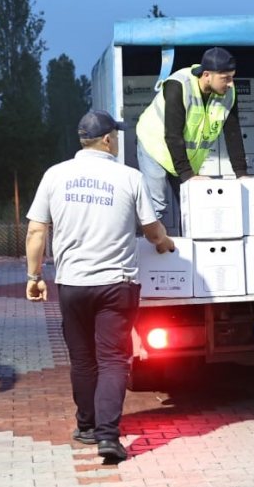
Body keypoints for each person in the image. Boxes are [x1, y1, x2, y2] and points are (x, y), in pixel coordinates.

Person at [26, 111, 176, 463]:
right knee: (113, 360)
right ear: (108, 139)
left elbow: (36, 231)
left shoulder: (55, 175)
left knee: (82, 360)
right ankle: (109, 438)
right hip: (116, 285)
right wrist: (164, 244)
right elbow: (151, 229)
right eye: (117, 136)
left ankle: (87, 427)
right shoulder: (129, 177)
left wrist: (34, 278)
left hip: (73, 284)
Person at [136, 46, 249, 221]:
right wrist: (188, 175)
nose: (230, 84)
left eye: (232, 78)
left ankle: (188, 248)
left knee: (191, 206)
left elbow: (233, 133)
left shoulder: (228, 94)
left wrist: (241, 174)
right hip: (155, 147)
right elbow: (173, 135)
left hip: (185, 154)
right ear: (206, 75)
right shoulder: (179, 85)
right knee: (157, 206)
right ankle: (148, 246)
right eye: (225, 78)